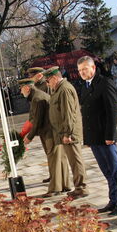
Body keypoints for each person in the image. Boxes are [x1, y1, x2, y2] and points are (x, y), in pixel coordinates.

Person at [77, 56, 117, 215]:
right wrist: (87, 138)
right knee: (106, 170)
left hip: (105, 136)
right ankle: (113, 200)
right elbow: (85, 113)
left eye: (85, 69)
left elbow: (112, 111)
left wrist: (110, 135)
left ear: (93, 68)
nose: (82, 73)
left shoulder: (105, 83)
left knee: (115, 169)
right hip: (94, 137)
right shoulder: (85, 86)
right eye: (80, 70)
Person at [19, 78, 71, 197]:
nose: (21, 92)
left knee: (53, 159)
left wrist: (29, 137)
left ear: (27, 88)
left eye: (21, 89)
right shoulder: (38, 96)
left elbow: (37, 120)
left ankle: (54, 188)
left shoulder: (37, 98)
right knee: (60, 158)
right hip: (53, 131)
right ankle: (65, 184)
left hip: (50, 132)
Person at [44, 66, 88, 198]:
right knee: (73, 160)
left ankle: (82, 188)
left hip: (69, 133)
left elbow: (68, 114)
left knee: (76, 160)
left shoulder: (64, 89)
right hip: (64, 132)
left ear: (55, 78)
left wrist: (67, 133)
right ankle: (78, 187)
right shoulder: (59, 89)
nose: (47, 84)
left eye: (48, 81)